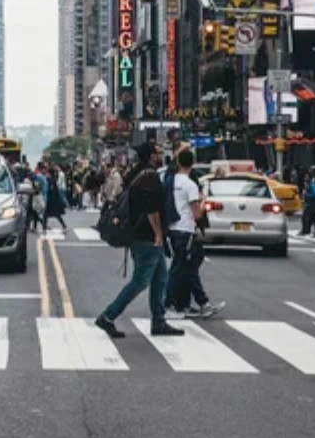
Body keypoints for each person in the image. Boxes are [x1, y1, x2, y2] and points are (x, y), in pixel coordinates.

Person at [94, 142, 183, 339]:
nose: (161, 155)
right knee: (141, 281)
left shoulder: (135, 173)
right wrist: (159, 233)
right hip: (146, 236)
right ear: (151, 156)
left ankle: (158, 320)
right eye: (158, 153)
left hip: (141, 235)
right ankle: (108, 316)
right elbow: (151, 209)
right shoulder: (149, 177)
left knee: (160, 277)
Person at [165, 148, 224, 320]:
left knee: (186, 268)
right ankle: (169, 305)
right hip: (185, 229)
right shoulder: (190, 184)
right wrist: (203, 200)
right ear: (193, 163)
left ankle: (200, 303)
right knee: (179, 269)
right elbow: (197, 213)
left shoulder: (170, 180)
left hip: (174, 228)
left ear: (178, 162)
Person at [43, 165, 68, 231]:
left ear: (49, 174)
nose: (46, 175)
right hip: (52, 200)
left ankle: (45, 228)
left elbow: (51, 190)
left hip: (51, 201)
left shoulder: (51, 181)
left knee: (50, 215)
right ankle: (44, 227)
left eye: (47, 173)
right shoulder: (52, 180)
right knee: (52, 215)